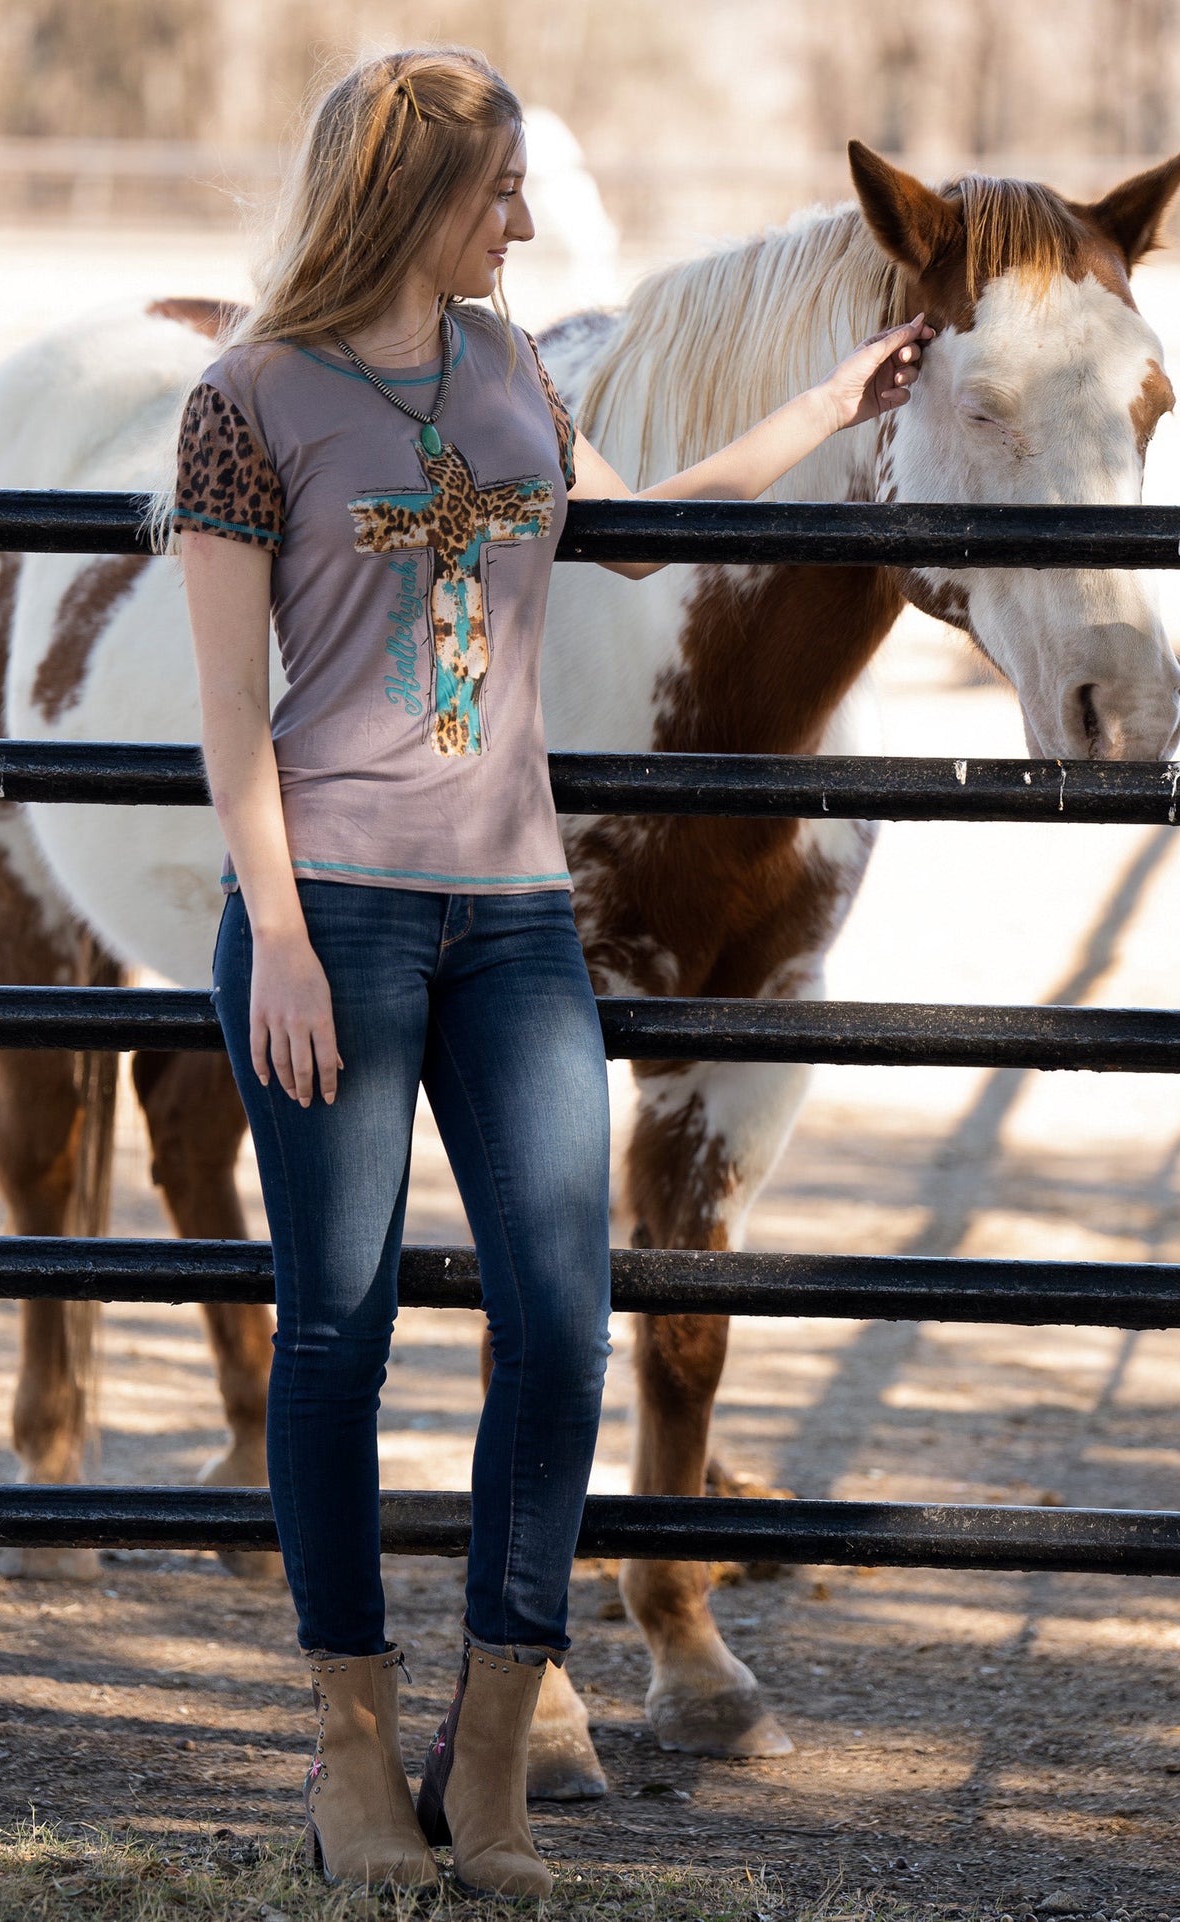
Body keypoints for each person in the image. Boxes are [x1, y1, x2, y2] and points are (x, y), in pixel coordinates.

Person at [149, 42, 931, 1901]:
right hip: (324, 913)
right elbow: (223, 716)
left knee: (561, 1330)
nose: (523, 212)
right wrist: (270, 931)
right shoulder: (243, 401)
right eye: (498, 184)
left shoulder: (502, 370)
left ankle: (489, 1748)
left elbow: (642, 525)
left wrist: (832, 403)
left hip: (515, 922)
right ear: (412, 193)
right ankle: (349, 1751)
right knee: (335, 1334)